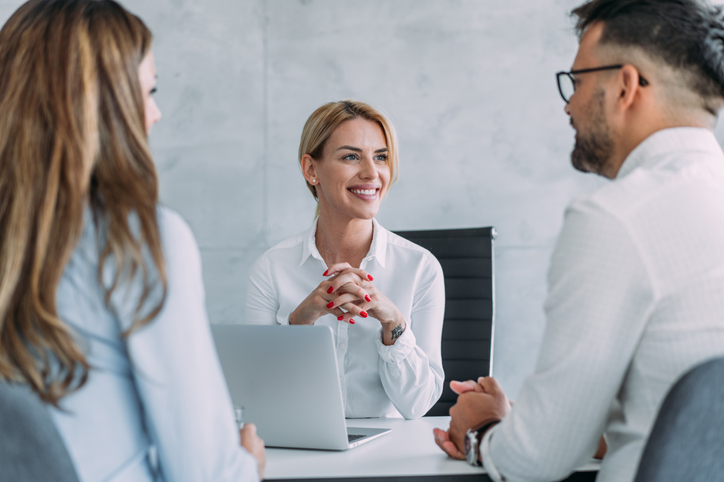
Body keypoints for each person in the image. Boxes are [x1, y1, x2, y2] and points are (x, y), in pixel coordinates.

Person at [433, 0, 724, 481]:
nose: (568, 104)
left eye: (578, 81)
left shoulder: (616, 218)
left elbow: (536, 461)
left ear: (625, 87)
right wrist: (529, 421)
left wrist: (480, 428)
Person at [0, 1, 264, 480]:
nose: (156, 113)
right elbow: (204, 473)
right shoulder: (136, 239)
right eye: (148, 91)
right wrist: (247, 463)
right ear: (106, 104)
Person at [246, 100, 445, 419]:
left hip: (389, 457)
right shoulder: (272, 269)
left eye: (380, 157)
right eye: (351, 156)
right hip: (302, 453)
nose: (371, 173)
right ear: (312, 170)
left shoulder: (420, 268)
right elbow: (257, 396)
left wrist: (393, 323)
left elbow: (418, 405)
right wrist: (299, 323)